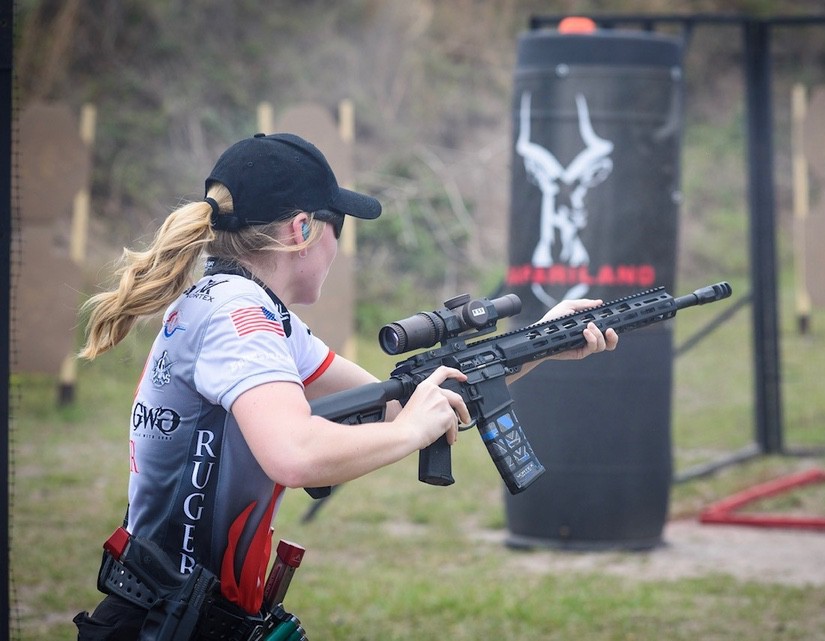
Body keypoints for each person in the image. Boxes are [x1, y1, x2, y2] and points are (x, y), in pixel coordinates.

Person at [73, 132, 618, 640]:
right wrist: (411, 432)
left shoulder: (248, 309)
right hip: (166, 621)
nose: (338, 246)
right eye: (339, 226)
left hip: (189, 613)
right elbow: (296, 452)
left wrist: (542, 342)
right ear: (302, 230)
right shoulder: (239, 318)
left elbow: (394, 401)